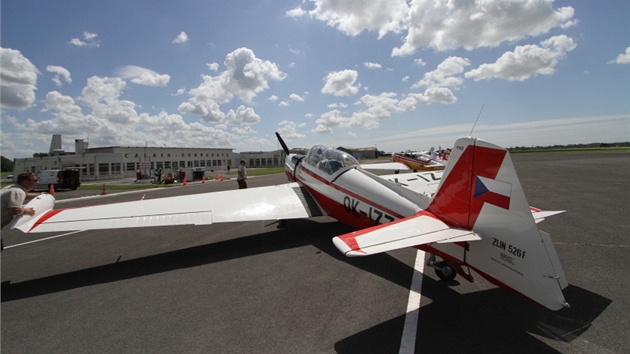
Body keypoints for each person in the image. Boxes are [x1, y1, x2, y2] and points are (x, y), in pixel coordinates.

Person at [1, 172, 40, 251]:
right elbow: (15, 210)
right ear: (25, 182)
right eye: (35, 180)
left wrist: (39, 195)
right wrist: (26, 210)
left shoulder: (12, 188)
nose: (37, 182)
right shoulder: (18, 192)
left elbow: (24, 195)